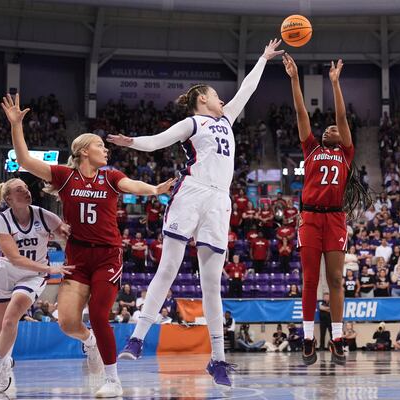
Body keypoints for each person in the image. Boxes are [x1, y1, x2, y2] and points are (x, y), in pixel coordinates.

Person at [111, 39, 284, 387]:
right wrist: (131, 142)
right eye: (216, 95)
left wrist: (264, 59)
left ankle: (218, 359)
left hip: (220, 201)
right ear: (202, 98)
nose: (223, 99)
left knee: (212, 286)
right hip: (191, 193)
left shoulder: (227, 119)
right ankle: (138, 336)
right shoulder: (193, 123)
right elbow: (157, 140)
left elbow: (247, 90)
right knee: (169, 266)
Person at [1, 93, 173, 397]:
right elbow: (25, 160)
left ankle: (113, 380)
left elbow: (133, 185)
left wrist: (156, 188)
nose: (105, 150)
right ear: (83, 151)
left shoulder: (110, 177)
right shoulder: (65, 177)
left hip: (108, 256)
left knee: (97, 312)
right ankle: (89, 341)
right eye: (99, 145)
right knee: (66, 322)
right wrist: (16, 125)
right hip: (77, 257)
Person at [283, 54, 369, 367]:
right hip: (309, 217)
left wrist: (335, 83)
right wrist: (294, 79)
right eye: (329, 127)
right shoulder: (311, 149)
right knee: (309, 280)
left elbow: (343, 117)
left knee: (335, 279)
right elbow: (300, 111)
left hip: (335, 217)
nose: (333, 127)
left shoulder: (346, 152)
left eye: (336, 127)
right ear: (321, 137)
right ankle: (307, 338)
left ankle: (337, 338)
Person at [0, 179, 74, 392]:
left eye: (27, 188)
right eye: (20, 190)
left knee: (11, 319)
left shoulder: (44, 216)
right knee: (0, 325)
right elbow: (15, 258)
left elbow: (69, 236)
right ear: (9, 198)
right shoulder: (1, 220)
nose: (26, 191)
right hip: (7, 271)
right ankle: (6, 363)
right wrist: (51, 269)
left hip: (34, 275)